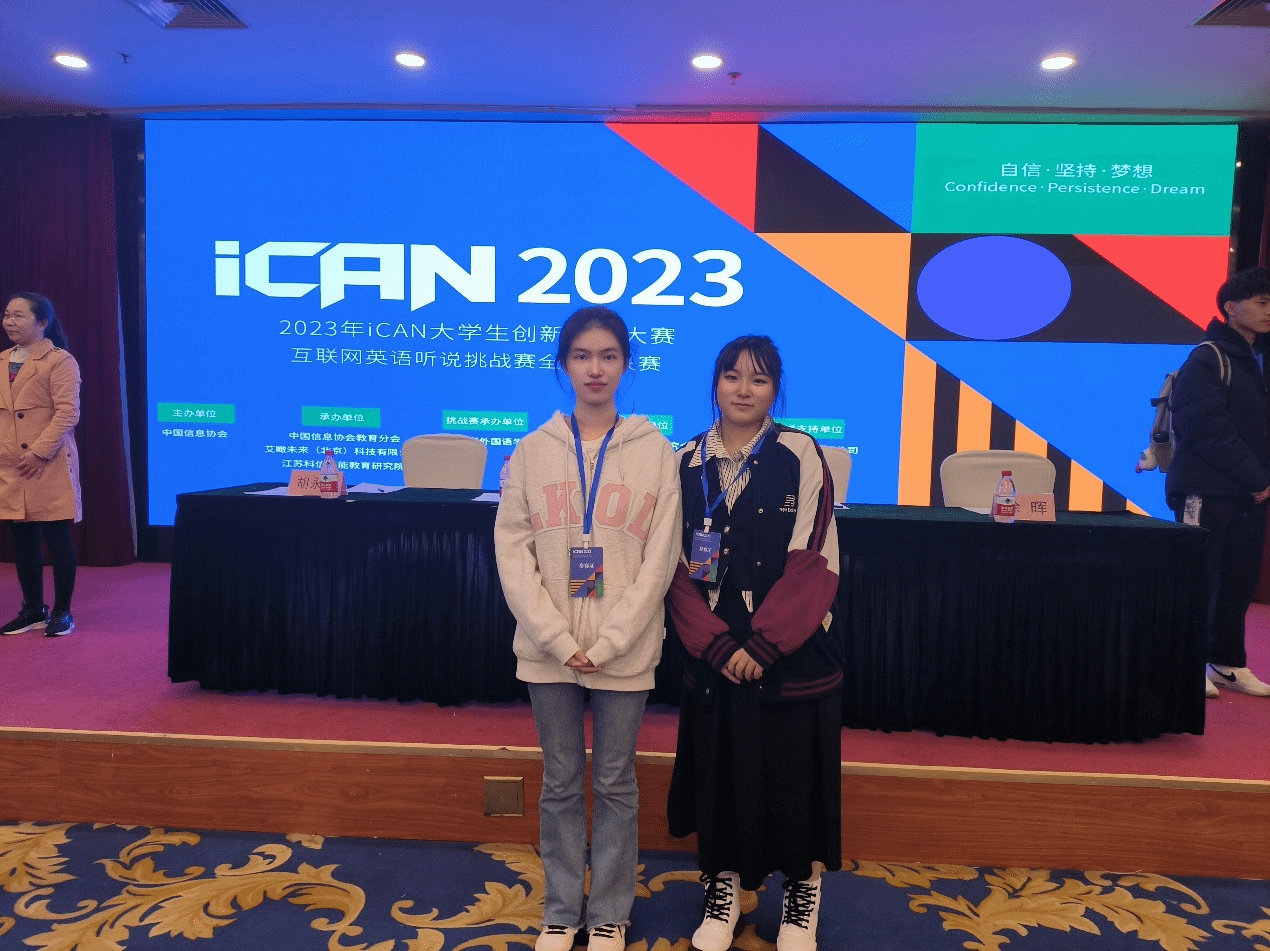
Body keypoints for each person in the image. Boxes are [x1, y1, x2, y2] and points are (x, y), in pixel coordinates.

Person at [494, 305, 681, 951]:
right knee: (561, 781)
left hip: (624, 651)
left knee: (616, 782)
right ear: (563, 365)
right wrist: (557, 637)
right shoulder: (532, 451)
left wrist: (609, 641)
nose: (595, 368)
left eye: (607, 355)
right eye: (581, 356)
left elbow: (660, 559)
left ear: (626, 364)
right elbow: (512, 555)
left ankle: (609, 911)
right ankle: (561, 910)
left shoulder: (656, 453)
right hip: (547, 650)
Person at [666, 335, 843, 951]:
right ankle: (720, 891)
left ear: (775, 390)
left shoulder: (799, 451)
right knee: (718, 776)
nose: (743, 389)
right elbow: (673, 569)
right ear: (715, 383)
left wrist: (765, 644)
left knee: (793, 782)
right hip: (715, 653)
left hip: (789, 652)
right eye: (732, 376)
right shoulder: (684, 461)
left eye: (759, 379)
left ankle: (801, 895)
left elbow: (815, 556)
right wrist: (715, 646)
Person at [1166, 266, 1270, 699]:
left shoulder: (1257, 359)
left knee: (1237, 581)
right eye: (1262, 302)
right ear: (1231, 307)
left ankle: (1227, 663)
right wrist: (1258, 479)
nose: (1269, 310)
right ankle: (1182, 664)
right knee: (1196, 579)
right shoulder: (1208, 357)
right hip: (1205, 489)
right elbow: (1205, 428)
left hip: (1248, 494)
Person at [0, 293, 82, 639]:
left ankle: (62, 610)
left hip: (48, 461)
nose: (9, 322)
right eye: (7, 315)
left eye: (18, 316)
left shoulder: (60, 361)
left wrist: (38, 452)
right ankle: (33, 609)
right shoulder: (2, 360)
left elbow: (67, 413)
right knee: (23, 540)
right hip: (10, 465)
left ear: (42, 323)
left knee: (56, 537)